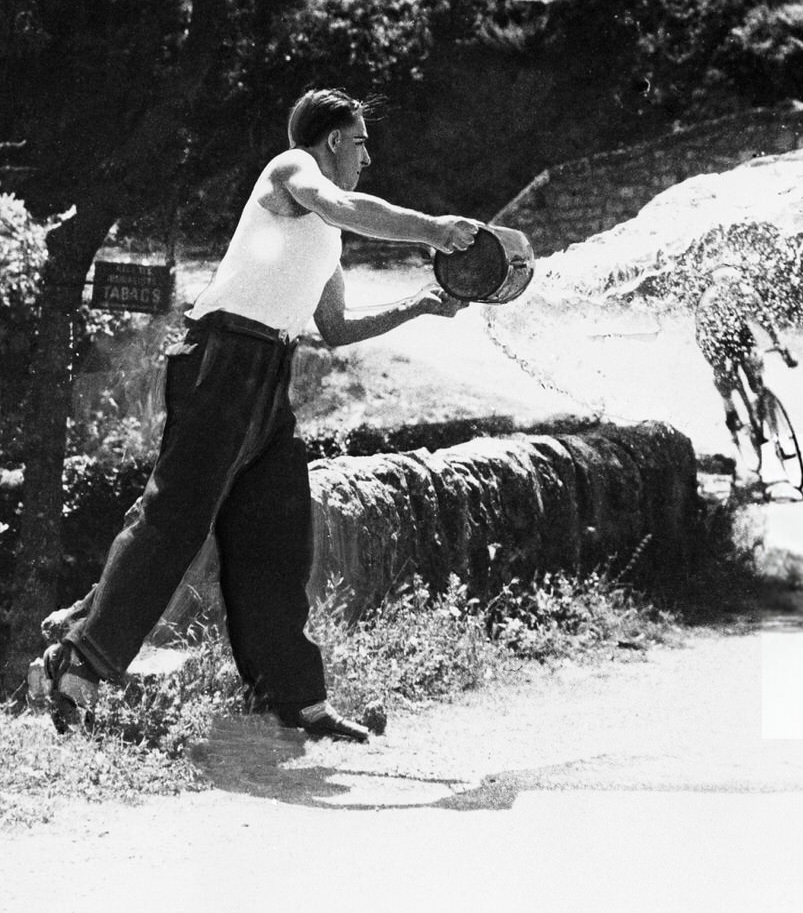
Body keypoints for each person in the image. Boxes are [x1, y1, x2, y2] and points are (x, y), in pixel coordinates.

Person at [40, 88, 483, 741]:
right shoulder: (293, 169)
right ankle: (77, 668)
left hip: (268, 374)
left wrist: (422, 302)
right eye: (361, 140)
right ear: (332, 140)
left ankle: (297, 699)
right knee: (173, 523)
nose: (369, 153)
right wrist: (434, 228)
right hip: (220, 359)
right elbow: (342, 201)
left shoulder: (327, 238)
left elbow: (333, 326)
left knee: (278, 535)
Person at [693, 264, 797, 441]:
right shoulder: (709, 302)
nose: (734, 292)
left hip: (739, 332)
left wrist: (780, 346)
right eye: (729, 289)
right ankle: (730, 409)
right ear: (719, 288)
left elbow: (766, 321)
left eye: (736, 287)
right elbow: (705, 338)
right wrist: (720, 362)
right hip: (712, 337)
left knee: (754, 369)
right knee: (723, 375)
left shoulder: (747, 294)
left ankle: (760, 406)